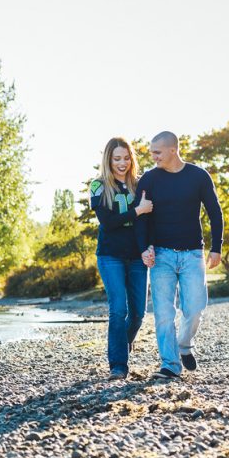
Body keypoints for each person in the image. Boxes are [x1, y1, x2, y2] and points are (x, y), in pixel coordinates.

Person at [135, 131, 223, 380]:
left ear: (173, 150)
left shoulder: (198, 176)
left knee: (195, 308)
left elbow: (215, 212)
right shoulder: (149, 180)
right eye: (152, 152)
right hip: (160, 256)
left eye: (157, 152)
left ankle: (184, 344)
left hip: (193, 254)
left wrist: (217, 247)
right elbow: (141, 217)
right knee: (163, 313)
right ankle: (170, 364)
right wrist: (144, 247)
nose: (152, 157)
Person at [90, 137, 154, 381]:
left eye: (126, 158)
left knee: (138, 313)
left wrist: (148, 247)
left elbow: (148, 223)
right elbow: (107, 222)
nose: (122, 163)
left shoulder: (140, 185)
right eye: (117, 158)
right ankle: (118, 365)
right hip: (110, 256)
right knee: (118, 309)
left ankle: (121, 345)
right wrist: (137, 210)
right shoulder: (99, 186)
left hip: (137, 257)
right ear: (108, 159)